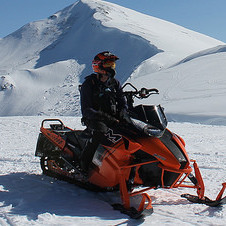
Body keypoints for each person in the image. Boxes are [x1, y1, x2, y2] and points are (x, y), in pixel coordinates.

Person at [79, 51, 127, 174]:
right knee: (100, 132)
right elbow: (87, 110)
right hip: (95, 119)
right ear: (98, 65)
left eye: (113, 65)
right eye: (108, 64)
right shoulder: (89, 84)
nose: (111, 67)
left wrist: (122, 112)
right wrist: (105, 118)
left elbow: (122, 100)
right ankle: (84, 166)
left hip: (113, 118)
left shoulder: (114, 83)